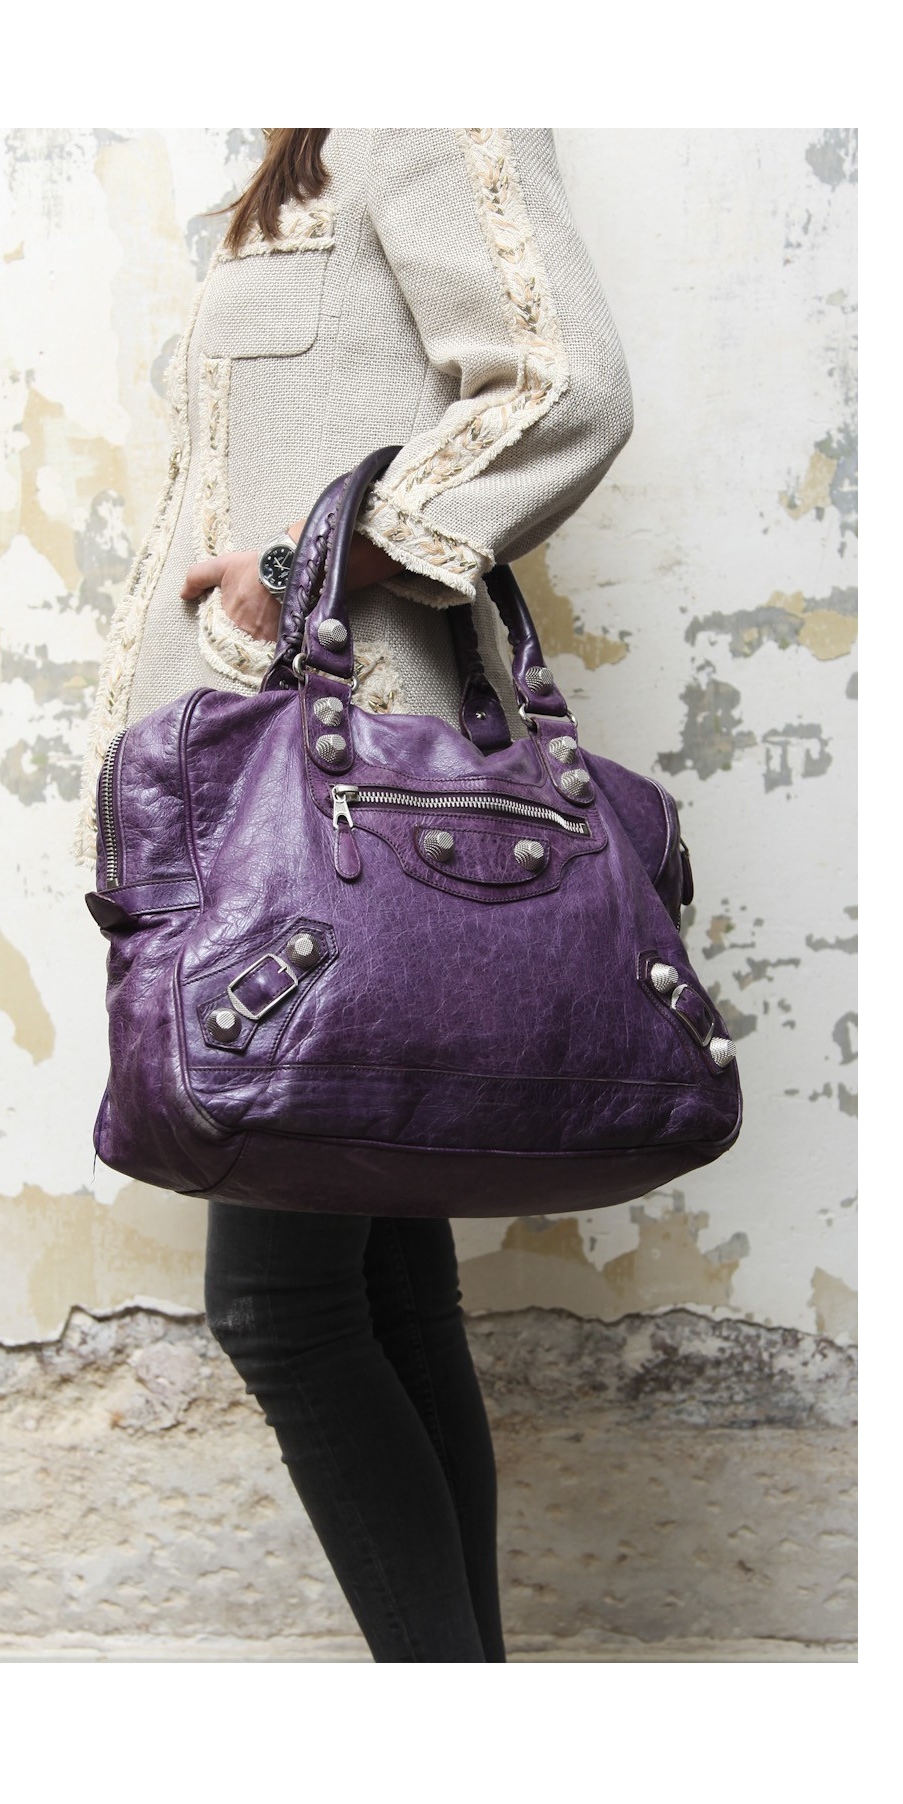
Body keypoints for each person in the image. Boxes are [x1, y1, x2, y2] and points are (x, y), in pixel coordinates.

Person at [80, 128, 633, 1661]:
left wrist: (309, 566)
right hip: (269, 819)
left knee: (283, 1310)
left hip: (350, 835)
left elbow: (563, 382)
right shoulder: (307, 147)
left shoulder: (426, 104)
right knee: (386, 1298)